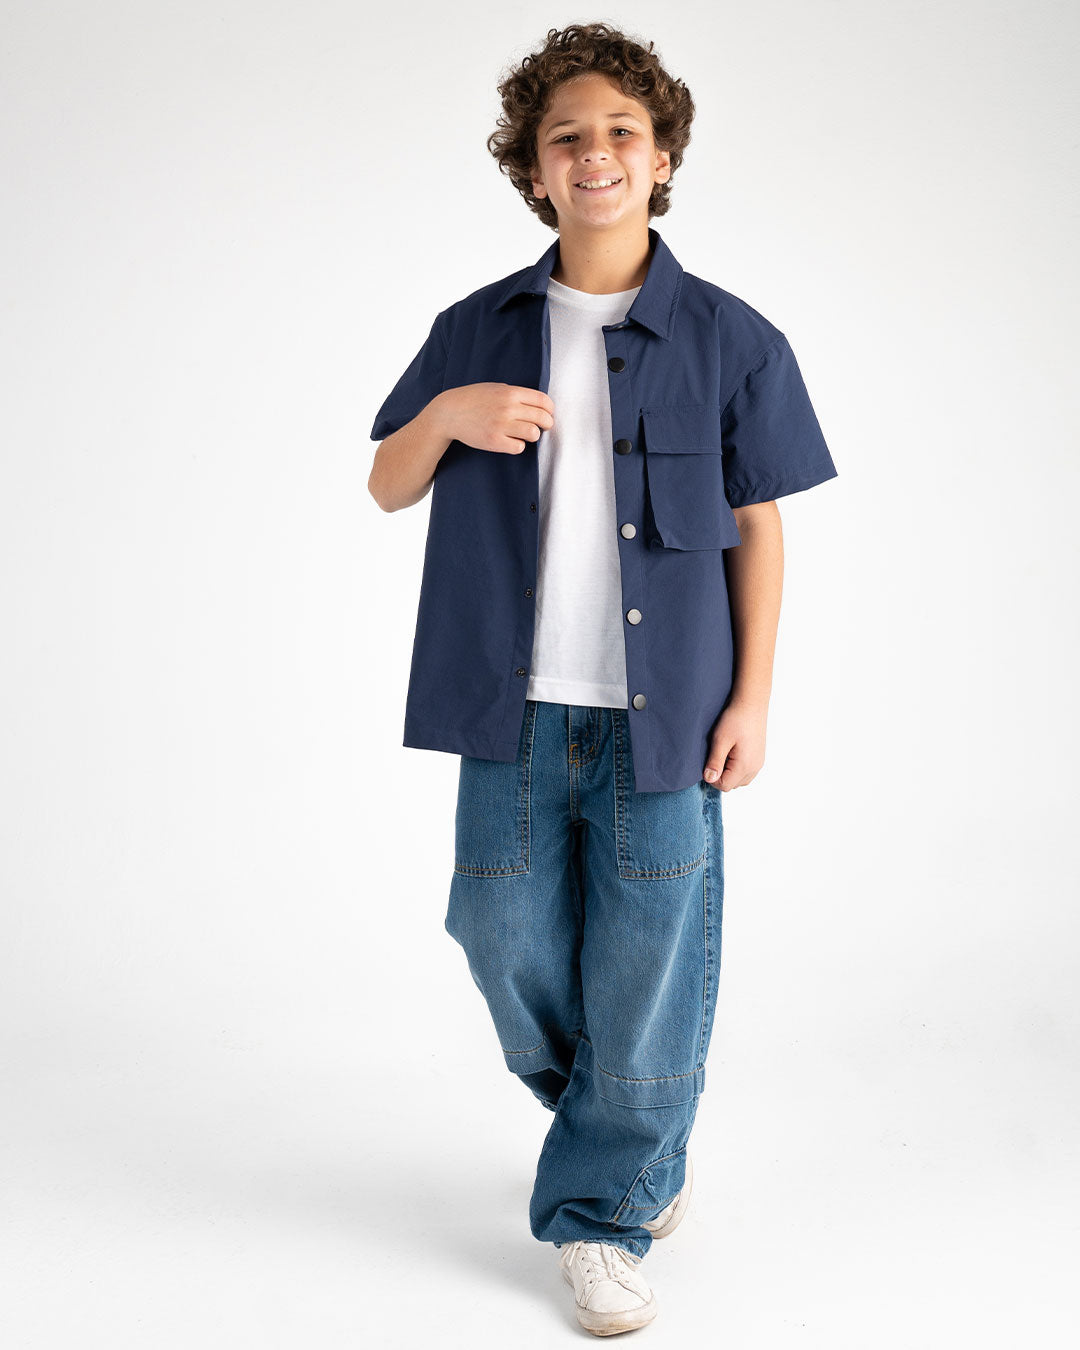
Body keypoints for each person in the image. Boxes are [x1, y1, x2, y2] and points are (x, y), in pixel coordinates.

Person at [368, 21, 838, 1337]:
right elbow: (387, 482)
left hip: (669, 718)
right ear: (532, 169)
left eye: (622, 132)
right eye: (565, 136)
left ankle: (603, 1209)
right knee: (498, 933)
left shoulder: (732, 338)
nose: (596, 154)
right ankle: (631, 1126)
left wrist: (753, 699)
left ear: (663, 156)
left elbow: (760, 526)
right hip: (508, 710)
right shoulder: (474, 328)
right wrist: (446, 416)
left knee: (645, 964)